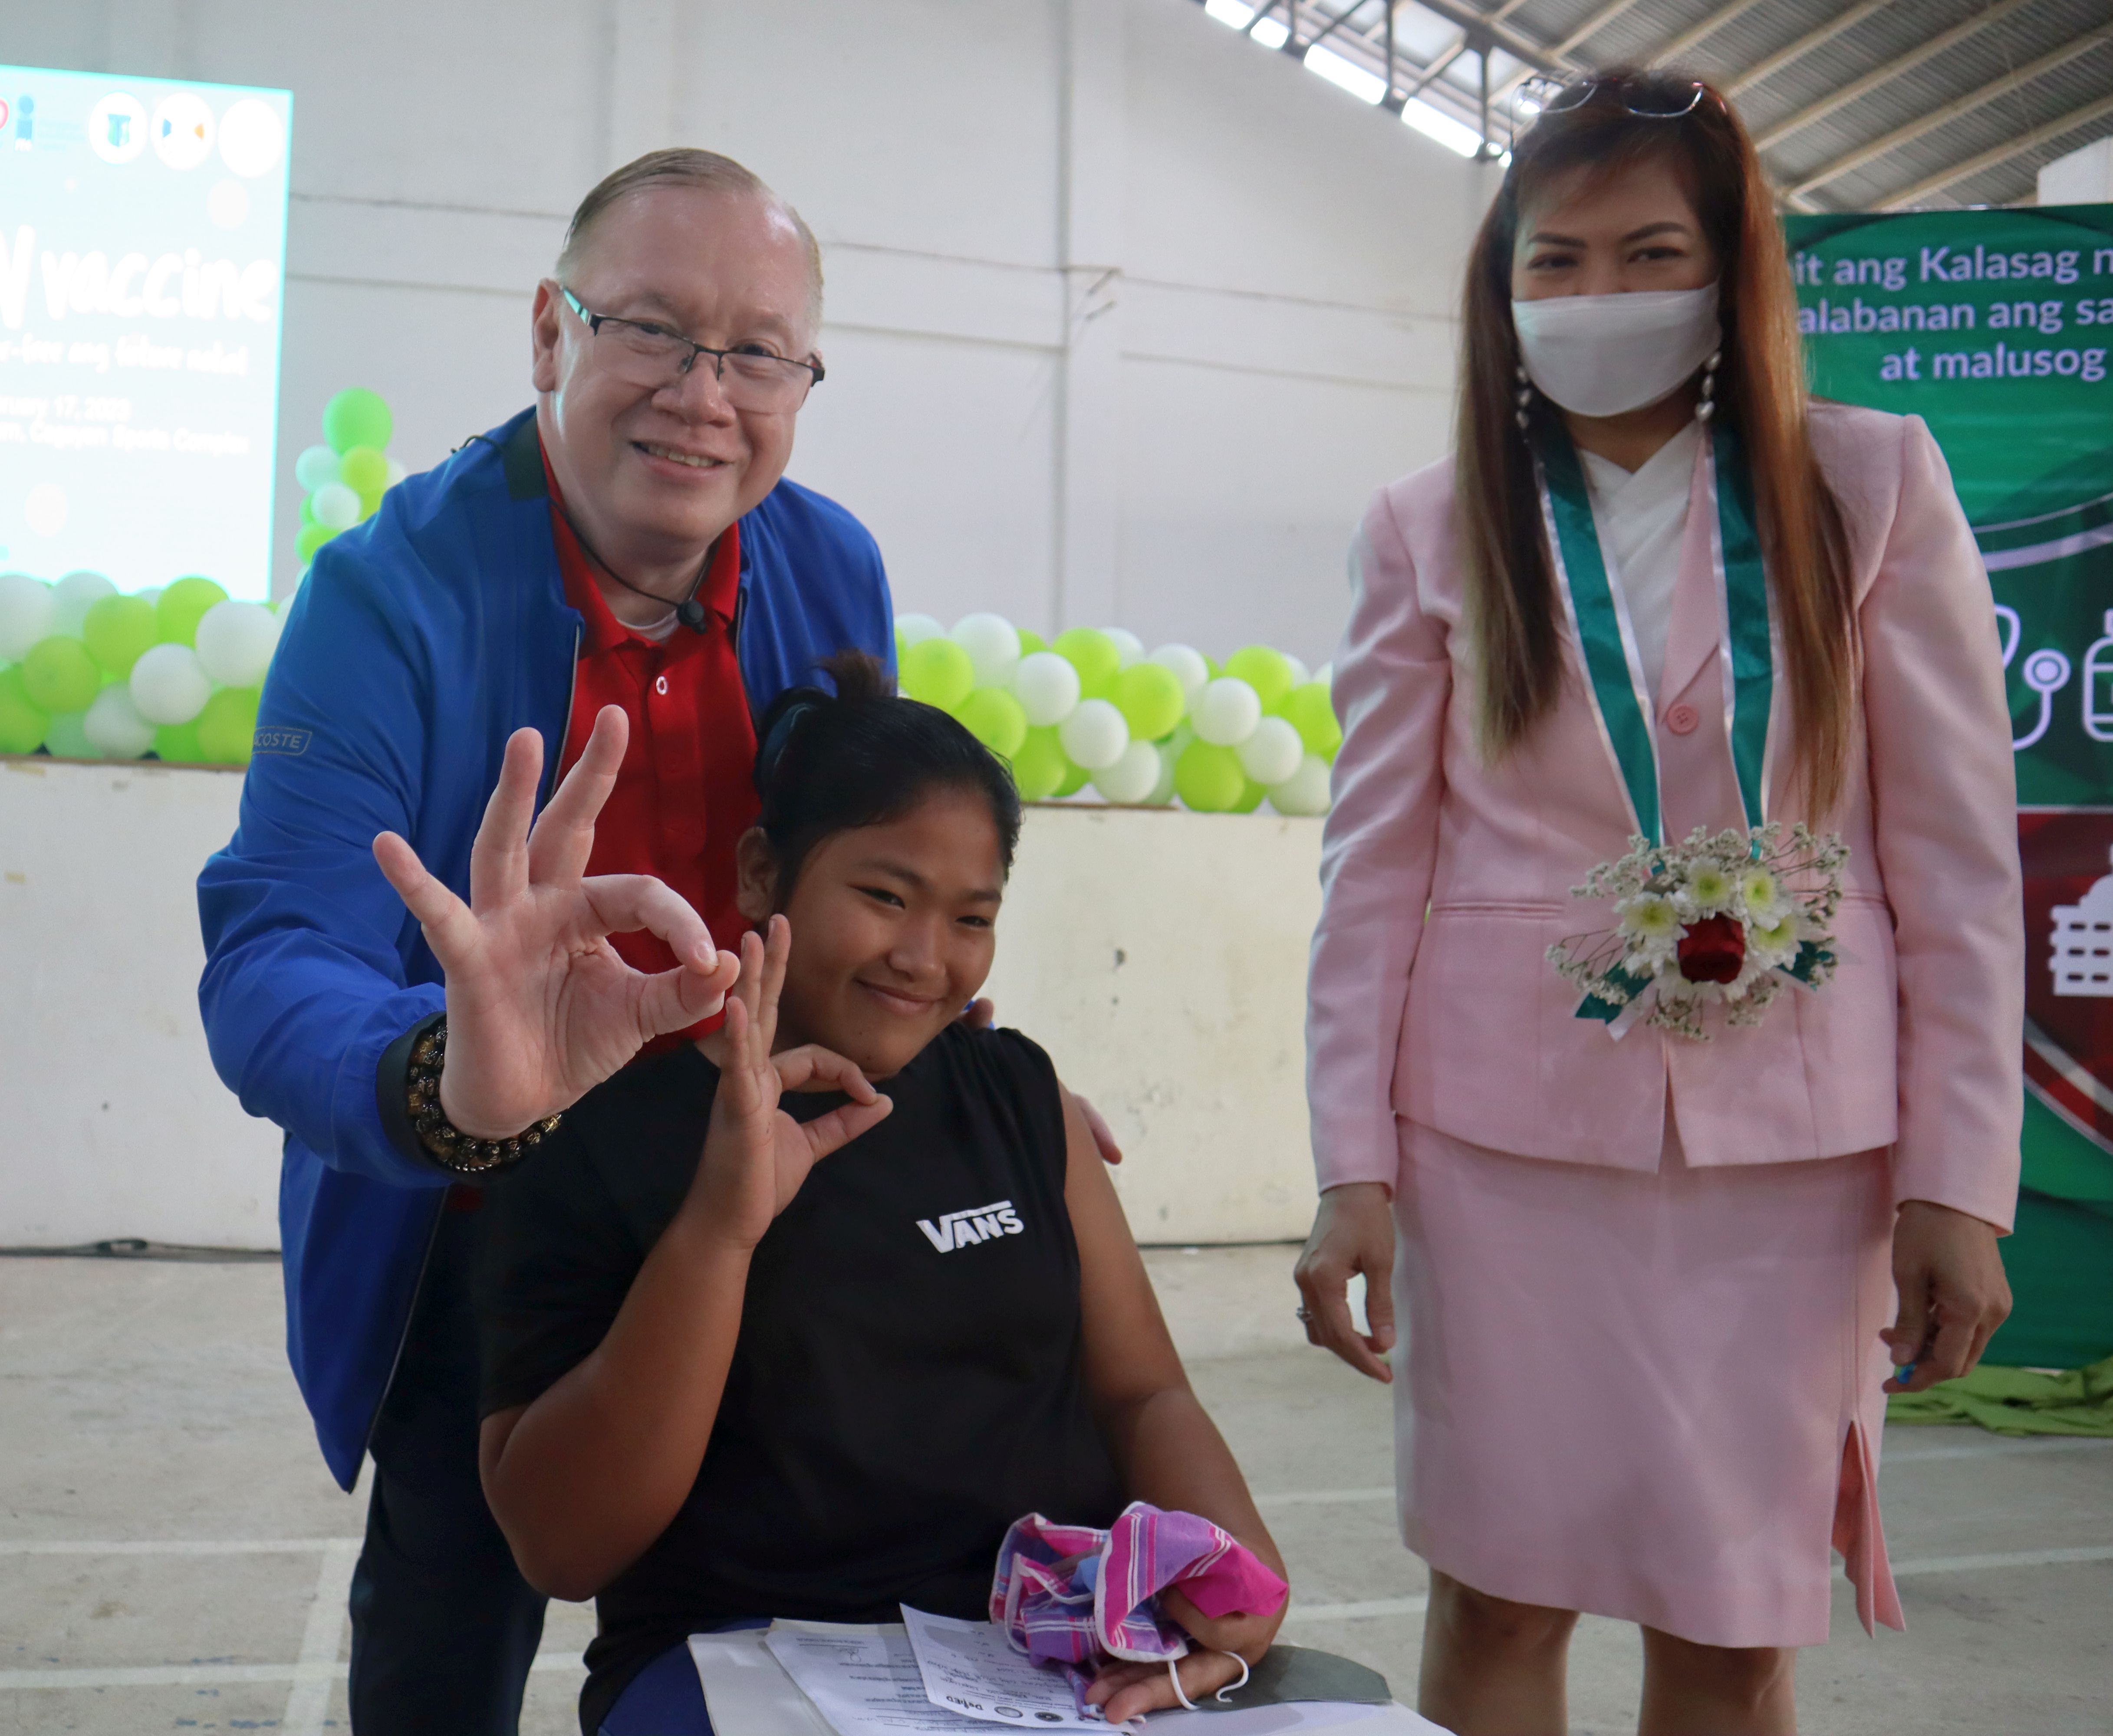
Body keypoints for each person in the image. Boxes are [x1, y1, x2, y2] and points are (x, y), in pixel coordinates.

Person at [1293, 72, 2020, 1736]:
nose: (1597, 297)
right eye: (1552, 262)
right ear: (1500, 287)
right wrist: (1352, 1166)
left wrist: (1953, 1179)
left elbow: (1957, 868)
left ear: (1729, 271)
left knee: (1729, 1626)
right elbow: (1373, 870)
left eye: (1646, 253)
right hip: (1496, 1156)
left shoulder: (1869, 486)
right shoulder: (1424, 523)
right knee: (1492, 1594)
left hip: (1797, 1165)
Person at [196, 149, 895, 1734]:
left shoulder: (832, 567)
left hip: (737, 1176)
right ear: (547, 334)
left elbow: (864, 874)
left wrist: (976, 1073)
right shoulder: (387, 596)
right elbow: (271, 955)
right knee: (447, 1625)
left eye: (756, 352)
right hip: (483, 1199)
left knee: (786, 1636)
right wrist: (452, 1074)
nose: (702, 397)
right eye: (649, 330)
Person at [466, 654, 1289, 1735]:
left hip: (1049, 1661)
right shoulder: (606, 1135)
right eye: (884, 895)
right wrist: (719, 1232)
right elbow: (562, 1545)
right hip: (743, 1662)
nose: (923, 957)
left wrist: (1241, 1593)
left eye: (970, 917)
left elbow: (1145, 1393)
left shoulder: (1020, 1095)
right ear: (763, 875)